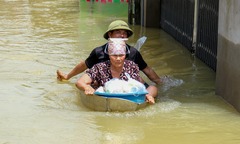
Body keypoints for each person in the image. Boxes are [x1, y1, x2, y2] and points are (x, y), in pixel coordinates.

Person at [57, 20, 161, 85]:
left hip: (125, 86)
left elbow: (147, 70)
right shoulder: (98, 52)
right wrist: (67, 76)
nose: (122, 35)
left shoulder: (133, 52)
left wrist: (160, 83)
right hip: (102, 84)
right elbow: (84, 65)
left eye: (125, 33)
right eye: (118, 32)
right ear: (110, 34)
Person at [76, 39, 158, 104]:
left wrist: (148, 95)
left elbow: (136, 87)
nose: (118, 59)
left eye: (121, 55)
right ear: (109, 55)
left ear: (125, 55)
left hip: (128, 97)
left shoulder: (131, 66)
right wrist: (87, 87)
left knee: (153, 88)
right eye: (114, 55)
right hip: (105, 98)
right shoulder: (100, 67)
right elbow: (80, 82)